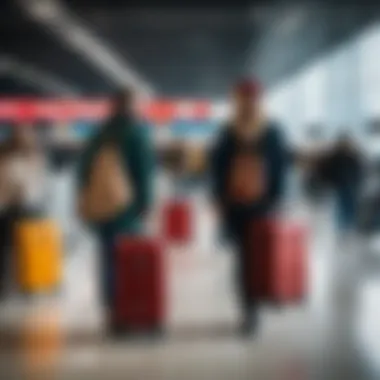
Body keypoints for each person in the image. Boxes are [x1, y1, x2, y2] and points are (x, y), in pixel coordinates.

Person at [209, 78, 287, 336]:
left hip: (242, 207)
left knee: (247, 260)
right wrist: (277, 199)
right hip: (256, 207)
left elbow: (217, 169)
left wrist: (219, 198)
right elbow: (280, 169)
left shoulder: (229, 131)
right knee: (252, 258)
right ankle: (252, 307)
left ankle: (252, 308)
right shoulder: (271, 130)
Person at [76, 88, 154, 329]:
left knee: (107, 258)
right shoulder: (136, 133)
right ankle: (127, 311)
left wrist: (89, 203)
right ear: (131, 106)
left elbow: (83, 173)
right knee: (128, 261)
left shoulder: (99, 134)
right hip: (127, 210)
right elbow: (144, 174)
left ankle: (111, 309)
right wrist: (145, 205)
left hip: (102, 209)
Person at [0, 125, 47, 297]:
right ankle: (27, 283)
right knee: (22, 249)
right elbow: (28, 189)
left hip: (11, 210)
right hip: (22, 209)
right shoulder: (30, 159)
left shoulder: (9, 159)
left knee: (8, 249)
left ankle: (12, 285)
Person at [321, 133, 363, 233]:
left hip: (348, 183)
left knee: (347, 204)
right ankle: (343, 226)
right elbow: (328, 169)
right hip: (342, 183)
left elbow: (357, 168)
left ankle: (346, 225)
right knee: (343, 204)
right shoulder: (340, 155)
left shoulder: (348, 155)